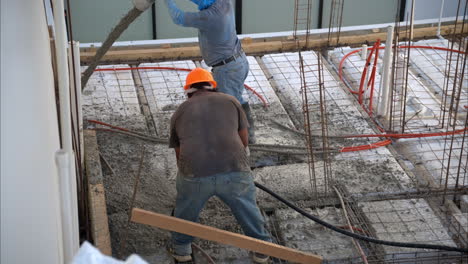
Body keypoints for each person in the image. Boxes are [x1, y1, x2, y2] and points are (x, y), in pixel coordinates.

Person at [168, 68, 271, 263]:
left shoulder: (180, 111)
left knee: (185, 210)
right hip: (234, 169)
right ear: (212, 86)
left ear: (188, 90)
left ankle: (182, 251)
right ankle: (261, 249)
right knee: (248, 208)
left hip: (195, 174)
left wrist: (188, 176)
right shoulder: (231, 101)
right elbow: (244, 140)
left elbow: (179, 152)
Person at [164, 0, 256, 143]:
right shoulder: (224, 3)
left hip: (227, 70)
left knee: (228, 109)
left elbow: (179, 18)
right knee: (236, 100)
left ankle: (238, 144)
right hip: (238, 62)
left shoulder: (210, 17)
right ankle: (249, 138)